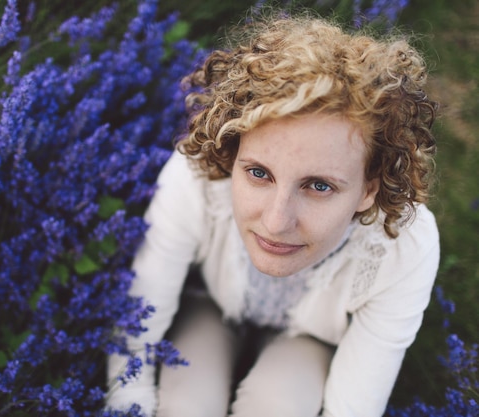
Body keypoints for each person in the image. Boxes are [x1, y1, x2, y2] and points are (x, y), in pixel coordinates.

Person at [107, 10, 439, 417]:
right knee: (186, 407)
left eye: (319, 186)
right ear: (233, 155)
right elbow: (143, 317)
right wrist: (126, 403)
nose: (277, 222)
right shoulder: (194, 180)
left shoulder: (405, 245)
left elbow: (352, 408)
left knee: (277, 407)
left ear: (369, 189)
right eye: (259, 173)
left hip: (307, 338)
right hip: (210, 306)